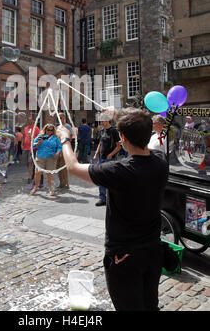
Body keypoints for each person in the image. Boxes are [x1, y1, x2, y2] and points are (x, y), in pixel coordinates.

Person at [57, 107, 168, 311]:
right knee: (150, 305)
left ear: (123, 137)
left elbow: (72, 167)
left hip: (125, 256)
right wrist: (120, 115)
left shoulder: (118, 171)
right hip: (153, 250)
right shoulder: (161, 163)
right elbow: (138, 130)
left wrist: (64, 138)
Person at [93, 117, 121, 206]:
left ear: (108, 120)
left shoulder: (114, 131)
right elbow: (100, 144)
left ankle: (111, 198)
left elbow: (119, 146)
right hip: (101, 158)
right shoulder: (102, 131)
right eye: (100, 121)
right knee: (101, 178)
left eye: (103, 120)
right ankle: (102, 198)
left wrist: (111, 154)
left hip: (110, 159)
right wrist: (96, 154)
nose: (101, 122)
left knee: (110, 179)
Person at [31, 124, 62, 196]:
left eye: (51, 130)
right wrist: (38, 143)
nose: (49, 131)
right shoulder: (40, 136)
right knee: (38, 172)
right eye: (48, 130)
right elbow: (33, 144)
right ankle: (35, 187)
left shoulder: (55, 138)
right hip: (40, 156)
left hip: (51, 158)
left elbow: (59, 147)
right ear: (45, 129)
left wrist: (58, 152)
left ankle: (51, 189)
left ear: (53, 131)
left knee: (49, 174)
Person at [56, 112, 73, 189]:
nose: (59, 119)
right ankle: (61, 182)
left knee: (63, 166)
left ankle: (66, 183)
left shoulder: (67, 126)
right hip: (58, 149)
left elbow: (71, 136)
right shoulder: (58, 127)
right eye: (58, 117)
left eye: (61, 117)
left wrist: (67, 144)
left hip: (64, 148)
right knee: (58, 166)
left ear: (64, 118)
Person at [22, 117, 40, 183]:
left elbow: (39, 138)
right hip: (25, 147)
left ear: (33, 121)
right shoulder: (25, 128)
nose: (29, 121)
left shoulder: (36, 128)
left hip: (32, 148)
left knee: (30, 163)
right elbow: (24, 137)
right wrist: (22, 143)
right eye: (28, 120)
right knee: (26, 162)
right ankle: (32, 173)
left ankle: (30, 177)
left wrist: (31, 138)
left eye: (30, 120)